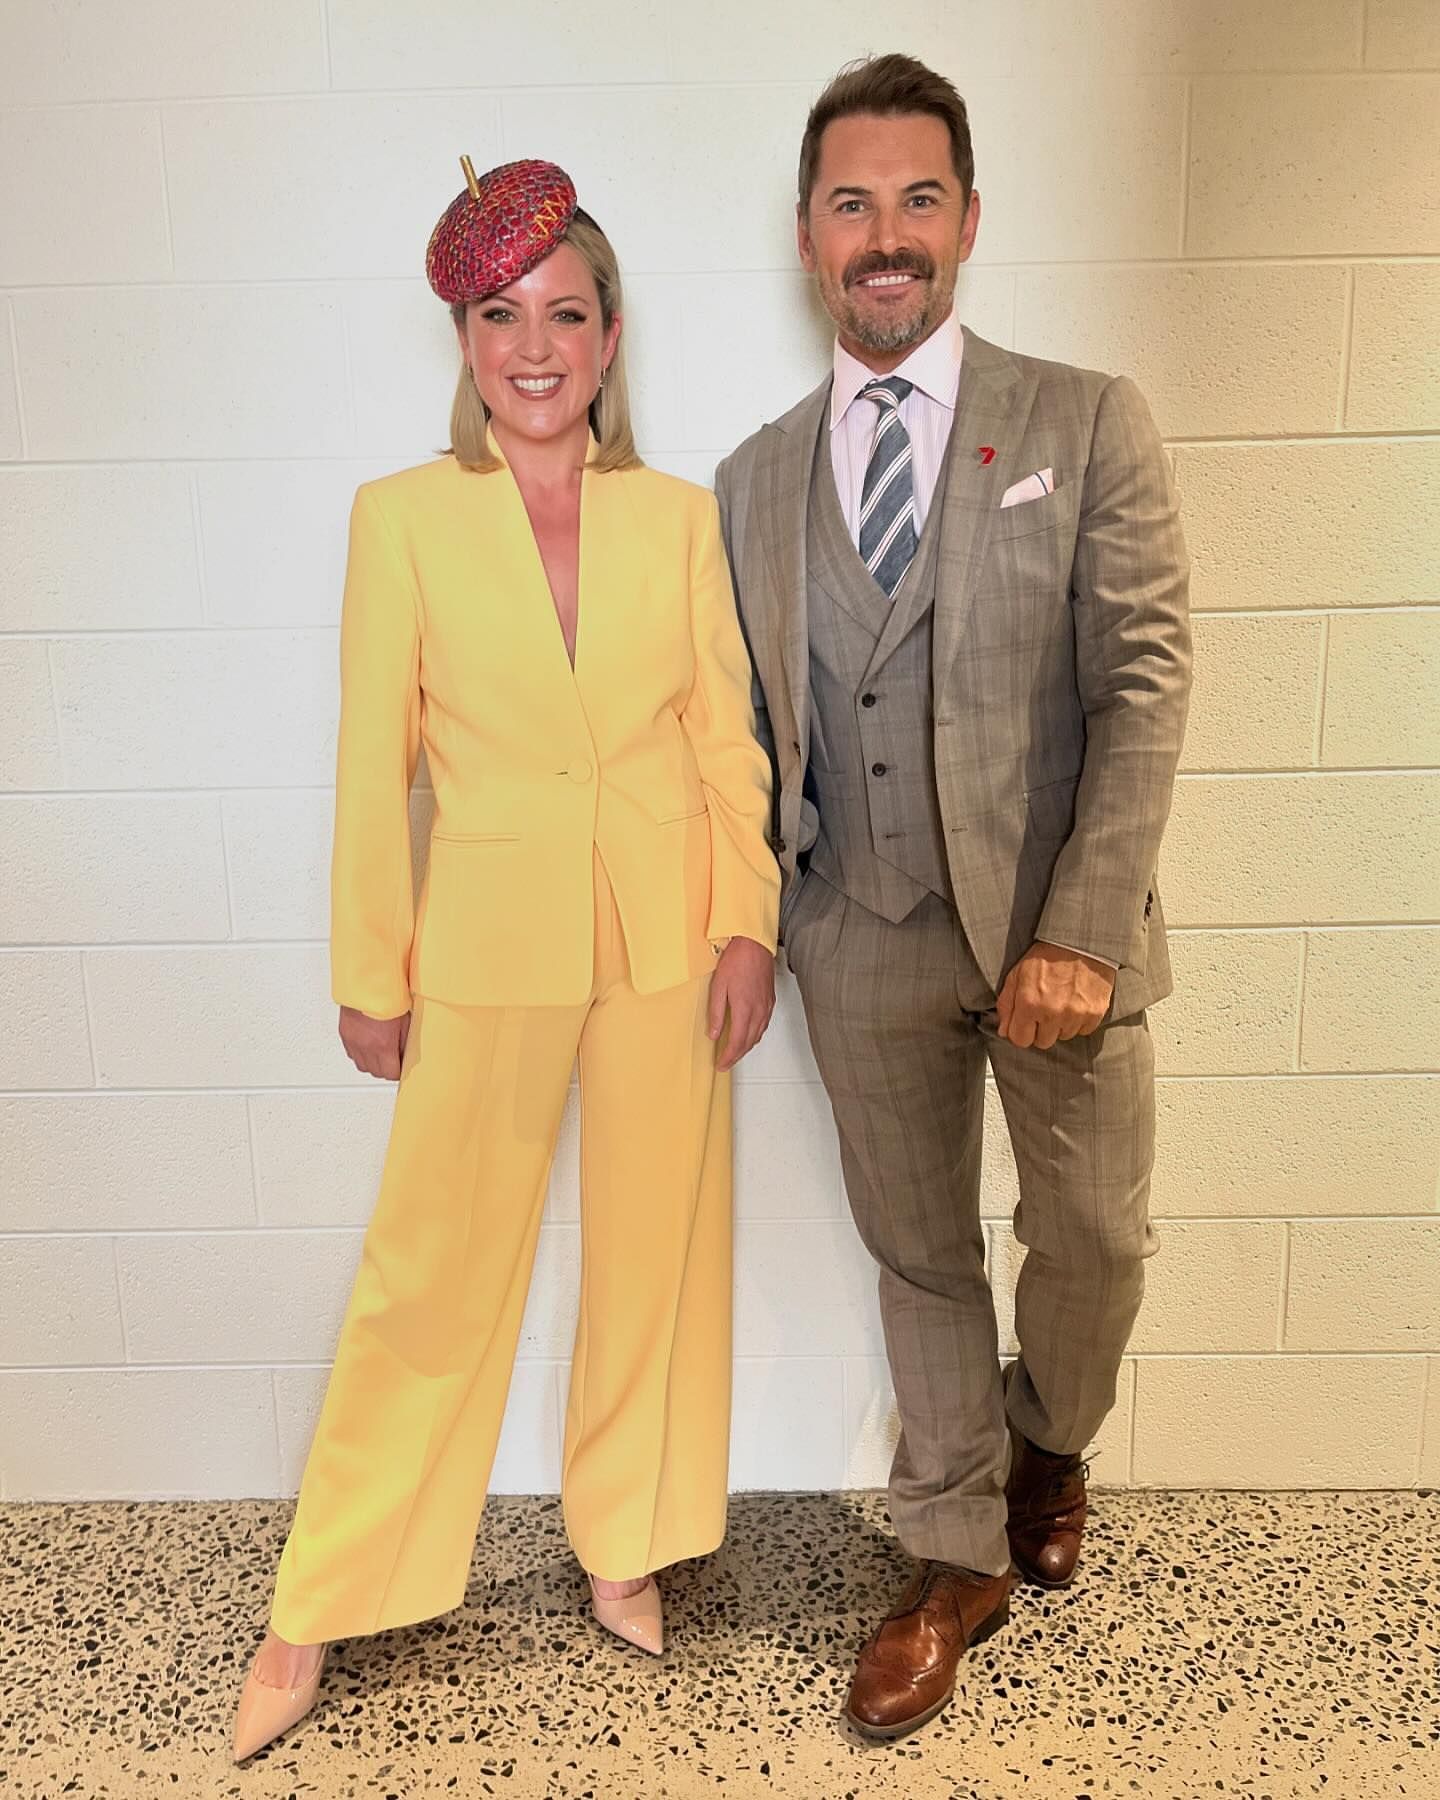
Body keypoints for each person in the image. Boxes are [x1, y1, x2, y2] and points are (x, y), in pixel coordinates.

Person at [232, 156, 780, 1763]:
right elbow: (373, 764)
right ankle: (320, 1599)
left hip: (668, 937)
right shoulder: (402, 519)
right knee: (433, 1272)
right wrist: (370, 965)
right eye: (499, 316)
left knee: (656, 1257)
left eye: (565, 314)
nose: (534, 348)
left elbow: (726, 739)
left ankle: (627, 1540)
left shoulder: (678, 520)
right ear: (465, 341)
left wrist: (746, 920)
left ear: (611, 336)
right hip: (482, 941)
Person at [715, 55, 1192, 1740]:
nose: (886, 235)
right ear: (808, 237)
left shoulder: (1083, 419)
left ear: (970, 219)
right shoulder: (753, 479)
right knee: (918, 1258)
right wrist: (769, 921)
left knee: (1096, 1238)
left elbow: (1144, 682)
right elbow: (742, 730)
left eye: (918, 198)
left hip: (1057, 939)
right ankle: (955, 1552)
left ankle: (1047, 1442)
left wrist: (1082, 927)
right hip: (859, 934)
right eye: (852, 204)